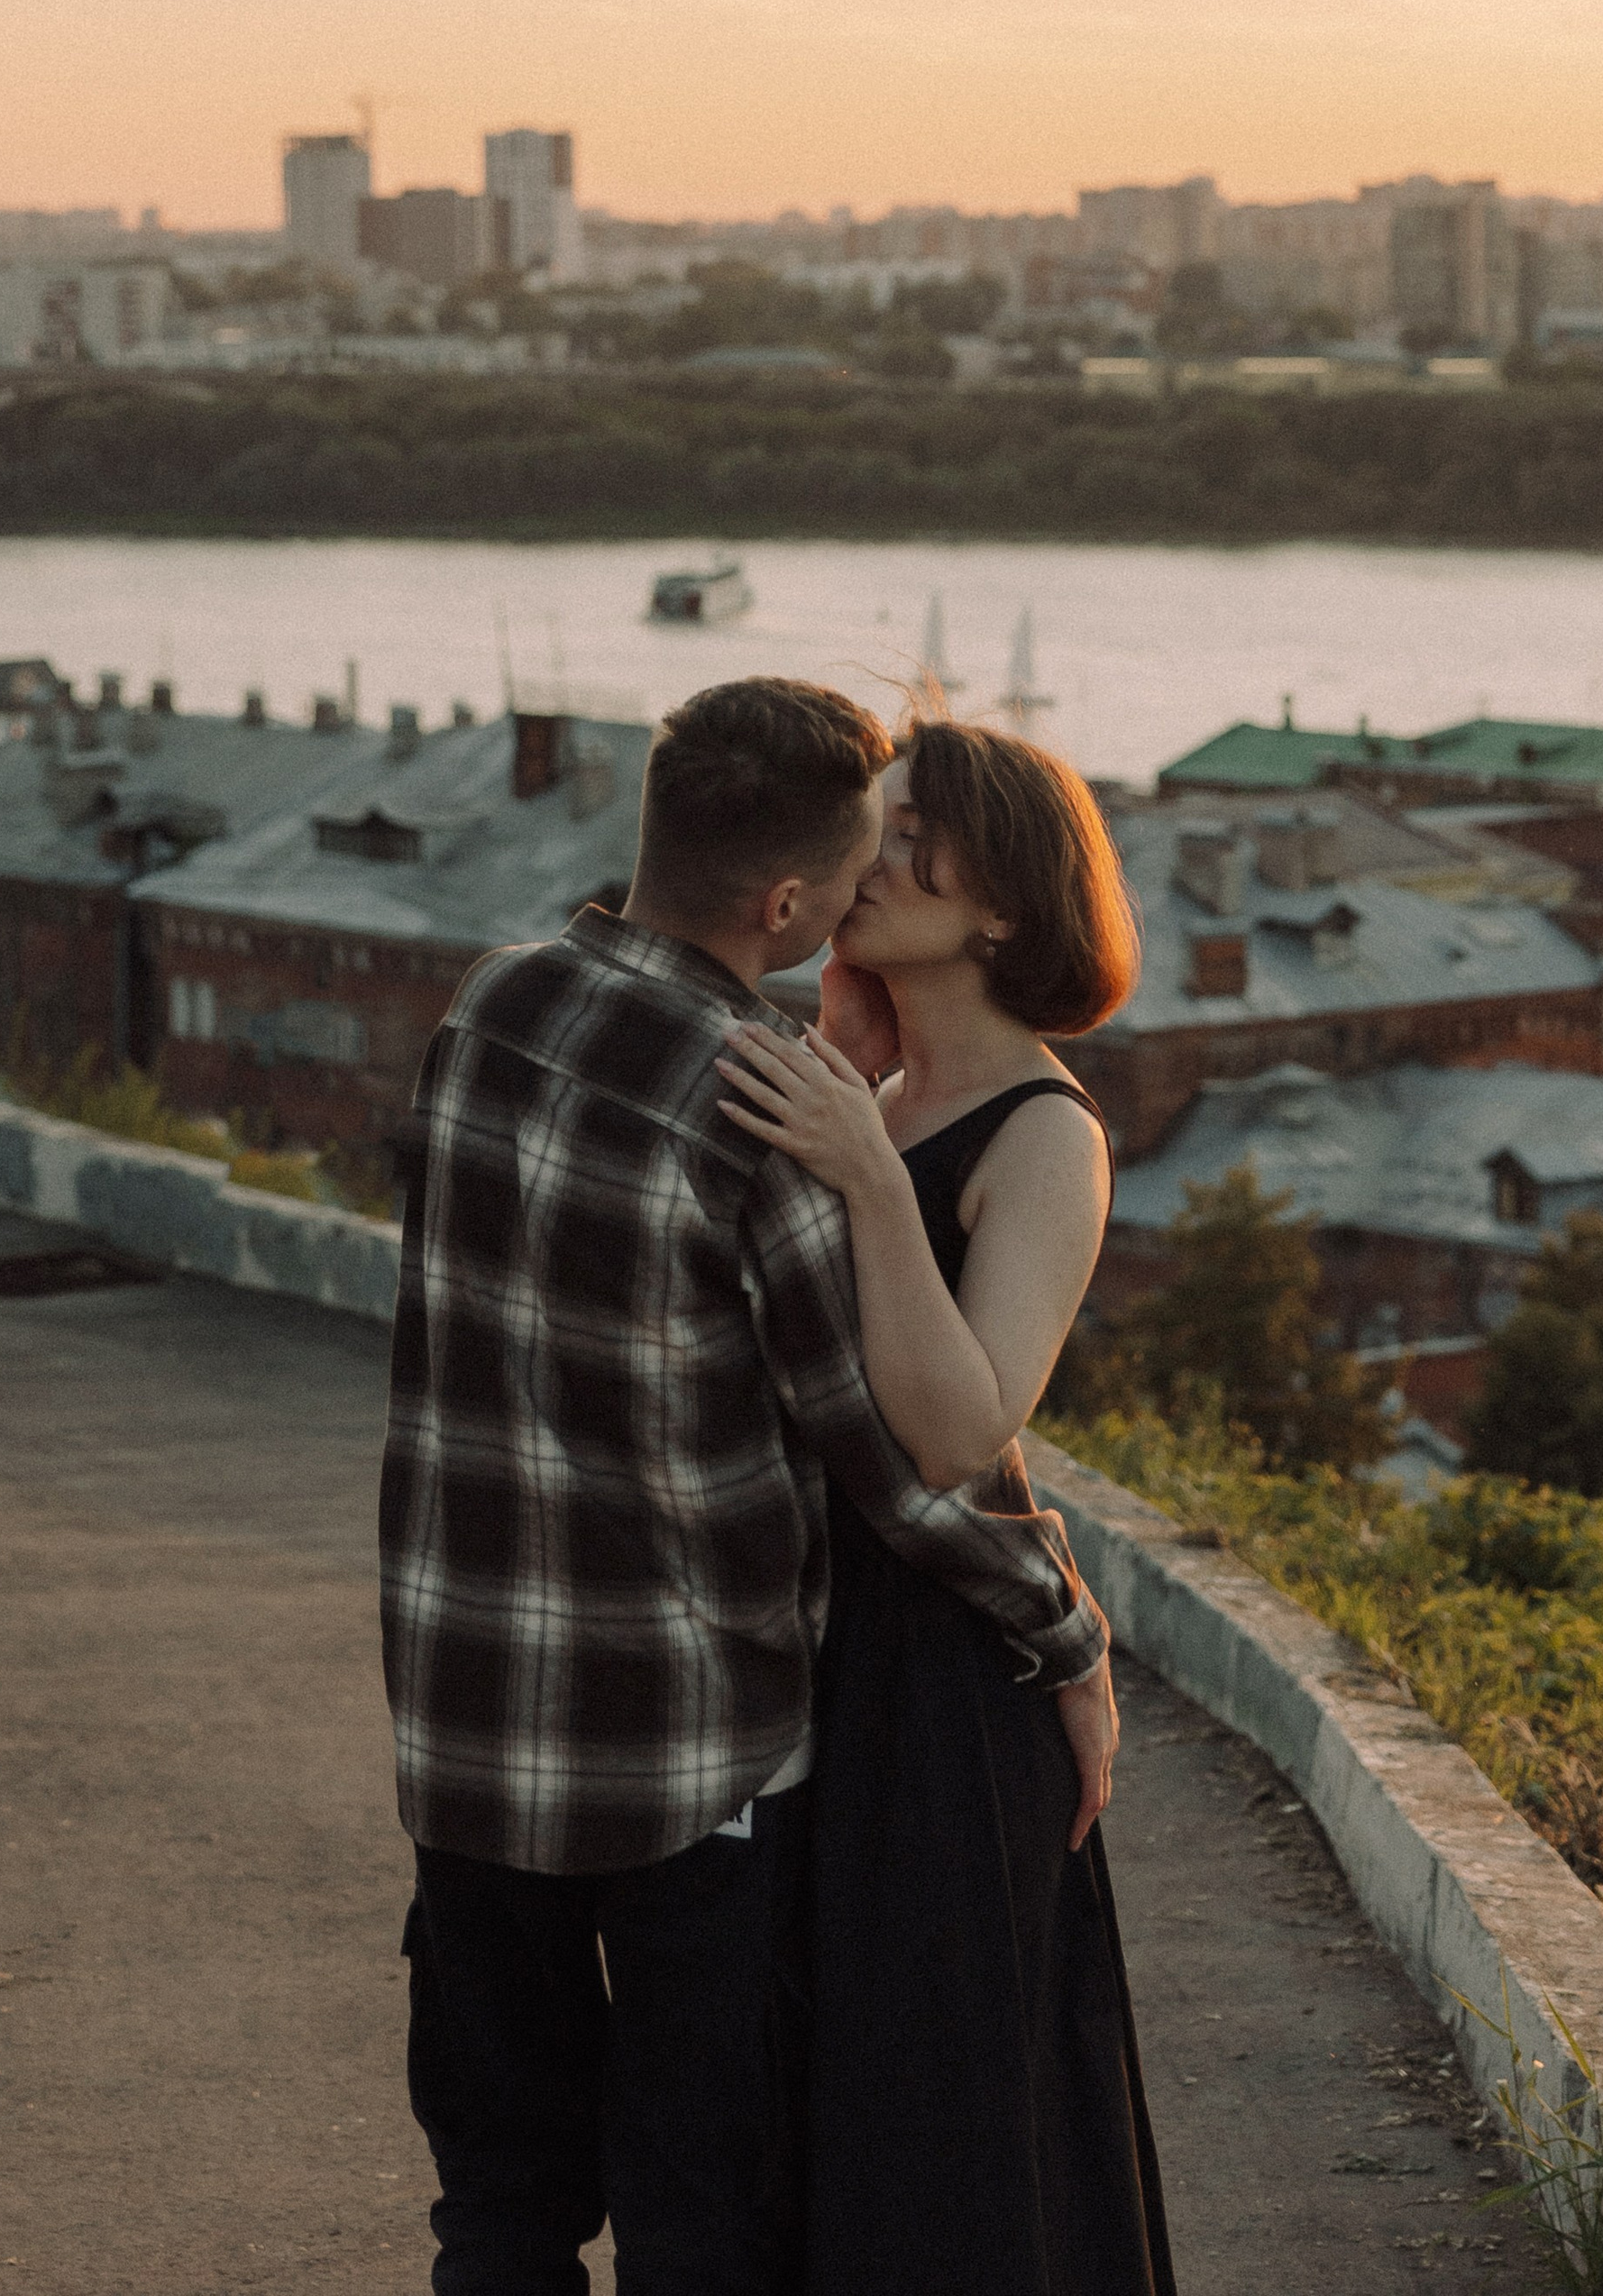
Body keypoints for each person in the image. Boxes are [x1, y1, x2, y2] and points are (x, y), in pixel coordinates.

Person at [380, 677, 1116, 2296]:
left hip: (467, 1728)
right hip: (686, 1765)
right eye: (869, 849)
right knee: (701, 2222)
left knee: (496, 2214)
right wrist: (1066, 1629)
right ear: (789, 903)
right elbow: (893, 1464)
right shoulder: (761, 1101)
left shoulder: (487, 1007)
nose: (875, 880)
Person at [714, 718, 1177, 2296]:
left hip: (934, 1694)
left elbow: (962, 1426)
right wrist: (857, 1094)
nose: (874, 855)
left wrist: (862, 1170)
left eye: (918, 834)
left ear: (1004, 905)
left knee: (943, 2117)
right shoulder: (871, 1094)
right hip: (811, 1647)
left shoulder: (1046, 1136)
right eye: (874, 821)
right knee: (814, 2106)